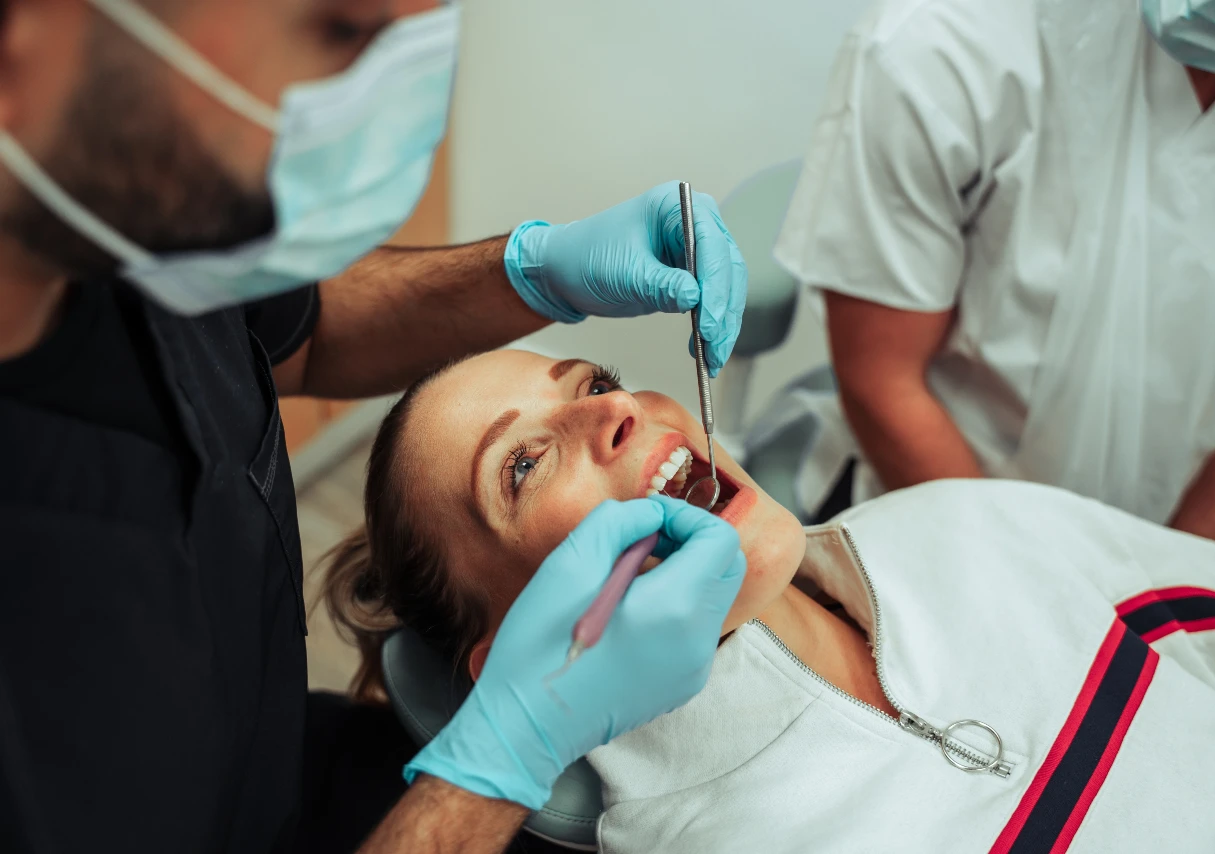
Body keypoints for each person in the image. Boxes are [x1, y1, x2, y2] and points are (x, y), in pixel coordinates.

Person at [0, 1, 750, 852]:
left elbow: (299, 329)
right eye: (343, 30)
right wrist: (503, 759)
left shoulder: (130, 217)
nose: (618, 408)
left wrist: (532, 275)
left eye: (600, 380)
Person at [325, 348, 1215, 853]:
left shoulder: (968, 524)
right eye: (524, 464)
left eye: (595, 381)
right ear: (513, 666)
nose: (614, 408)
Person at [771, 0, 1215, 557]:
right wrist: (1036, 602)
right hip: (941, 508)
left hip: (1187, 524)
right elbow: (882, 379)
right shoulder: (940, 47)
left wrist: (1184, 584)